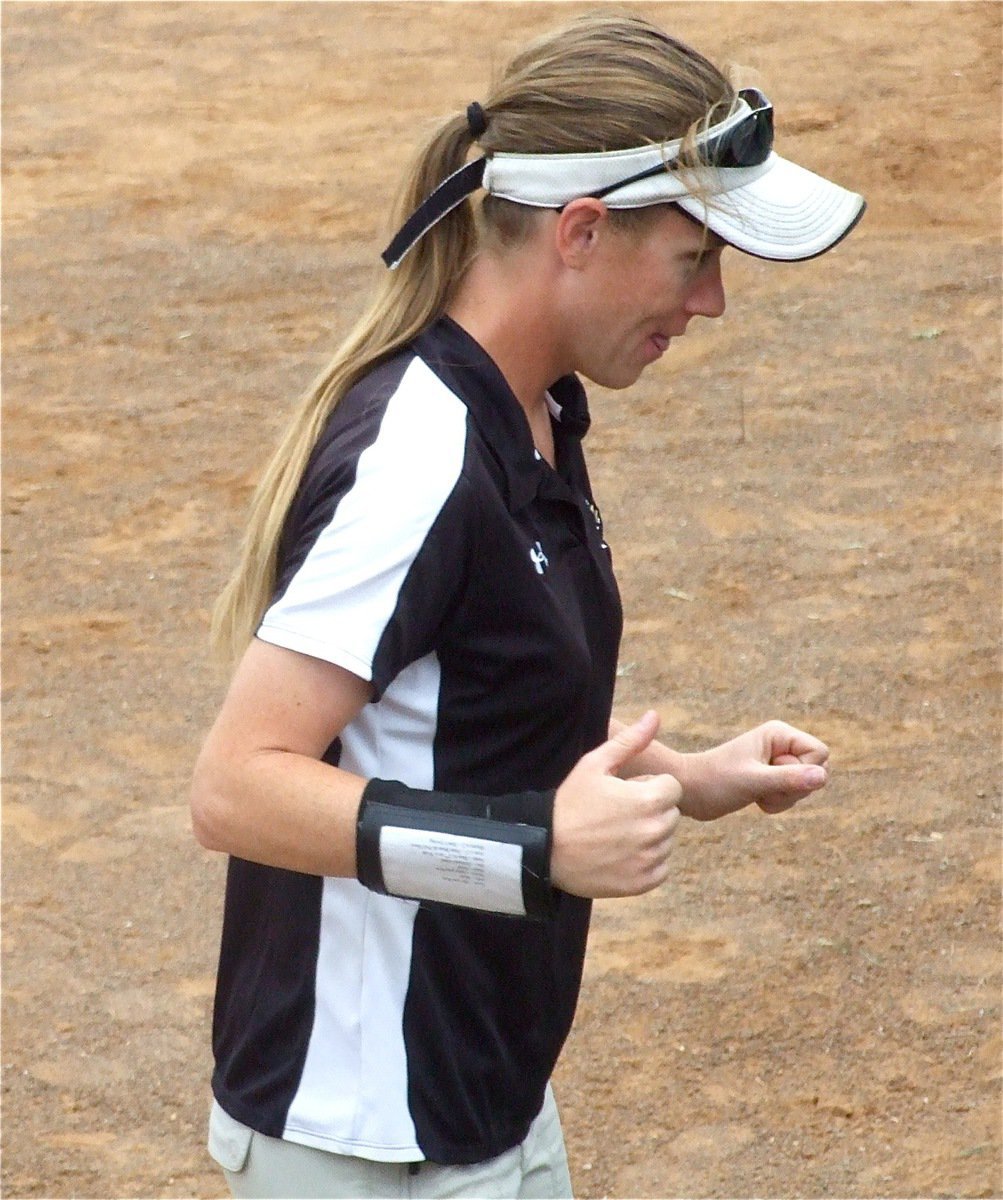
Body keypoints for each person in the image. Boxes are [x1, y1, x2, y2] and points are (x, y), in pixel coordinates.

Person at [191, 10, 864, 1198]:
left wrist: (682, 779)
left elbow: (453, 728)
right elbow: (237, 786)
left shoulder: (536, 415)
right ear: (582, 231)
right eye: (695, 258)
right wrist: (541, 849)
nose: (710, 307)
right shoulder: (421, 457)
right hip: (361, 1136)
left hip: (480, 1094)